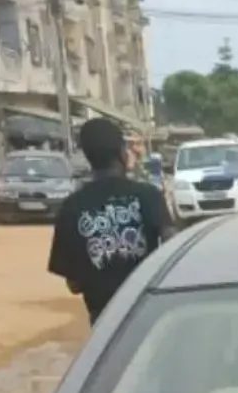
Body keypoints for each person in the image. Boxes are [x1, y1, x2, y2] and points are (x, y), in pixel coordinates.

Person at [48, 117, 172, 326]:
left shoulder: (71, 207)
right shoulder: (148, 196)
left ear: (87, 157)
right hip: (148, 312)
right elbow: (172, 246)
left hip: (104, 325)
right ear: (121, 153)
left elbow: (74, 284)